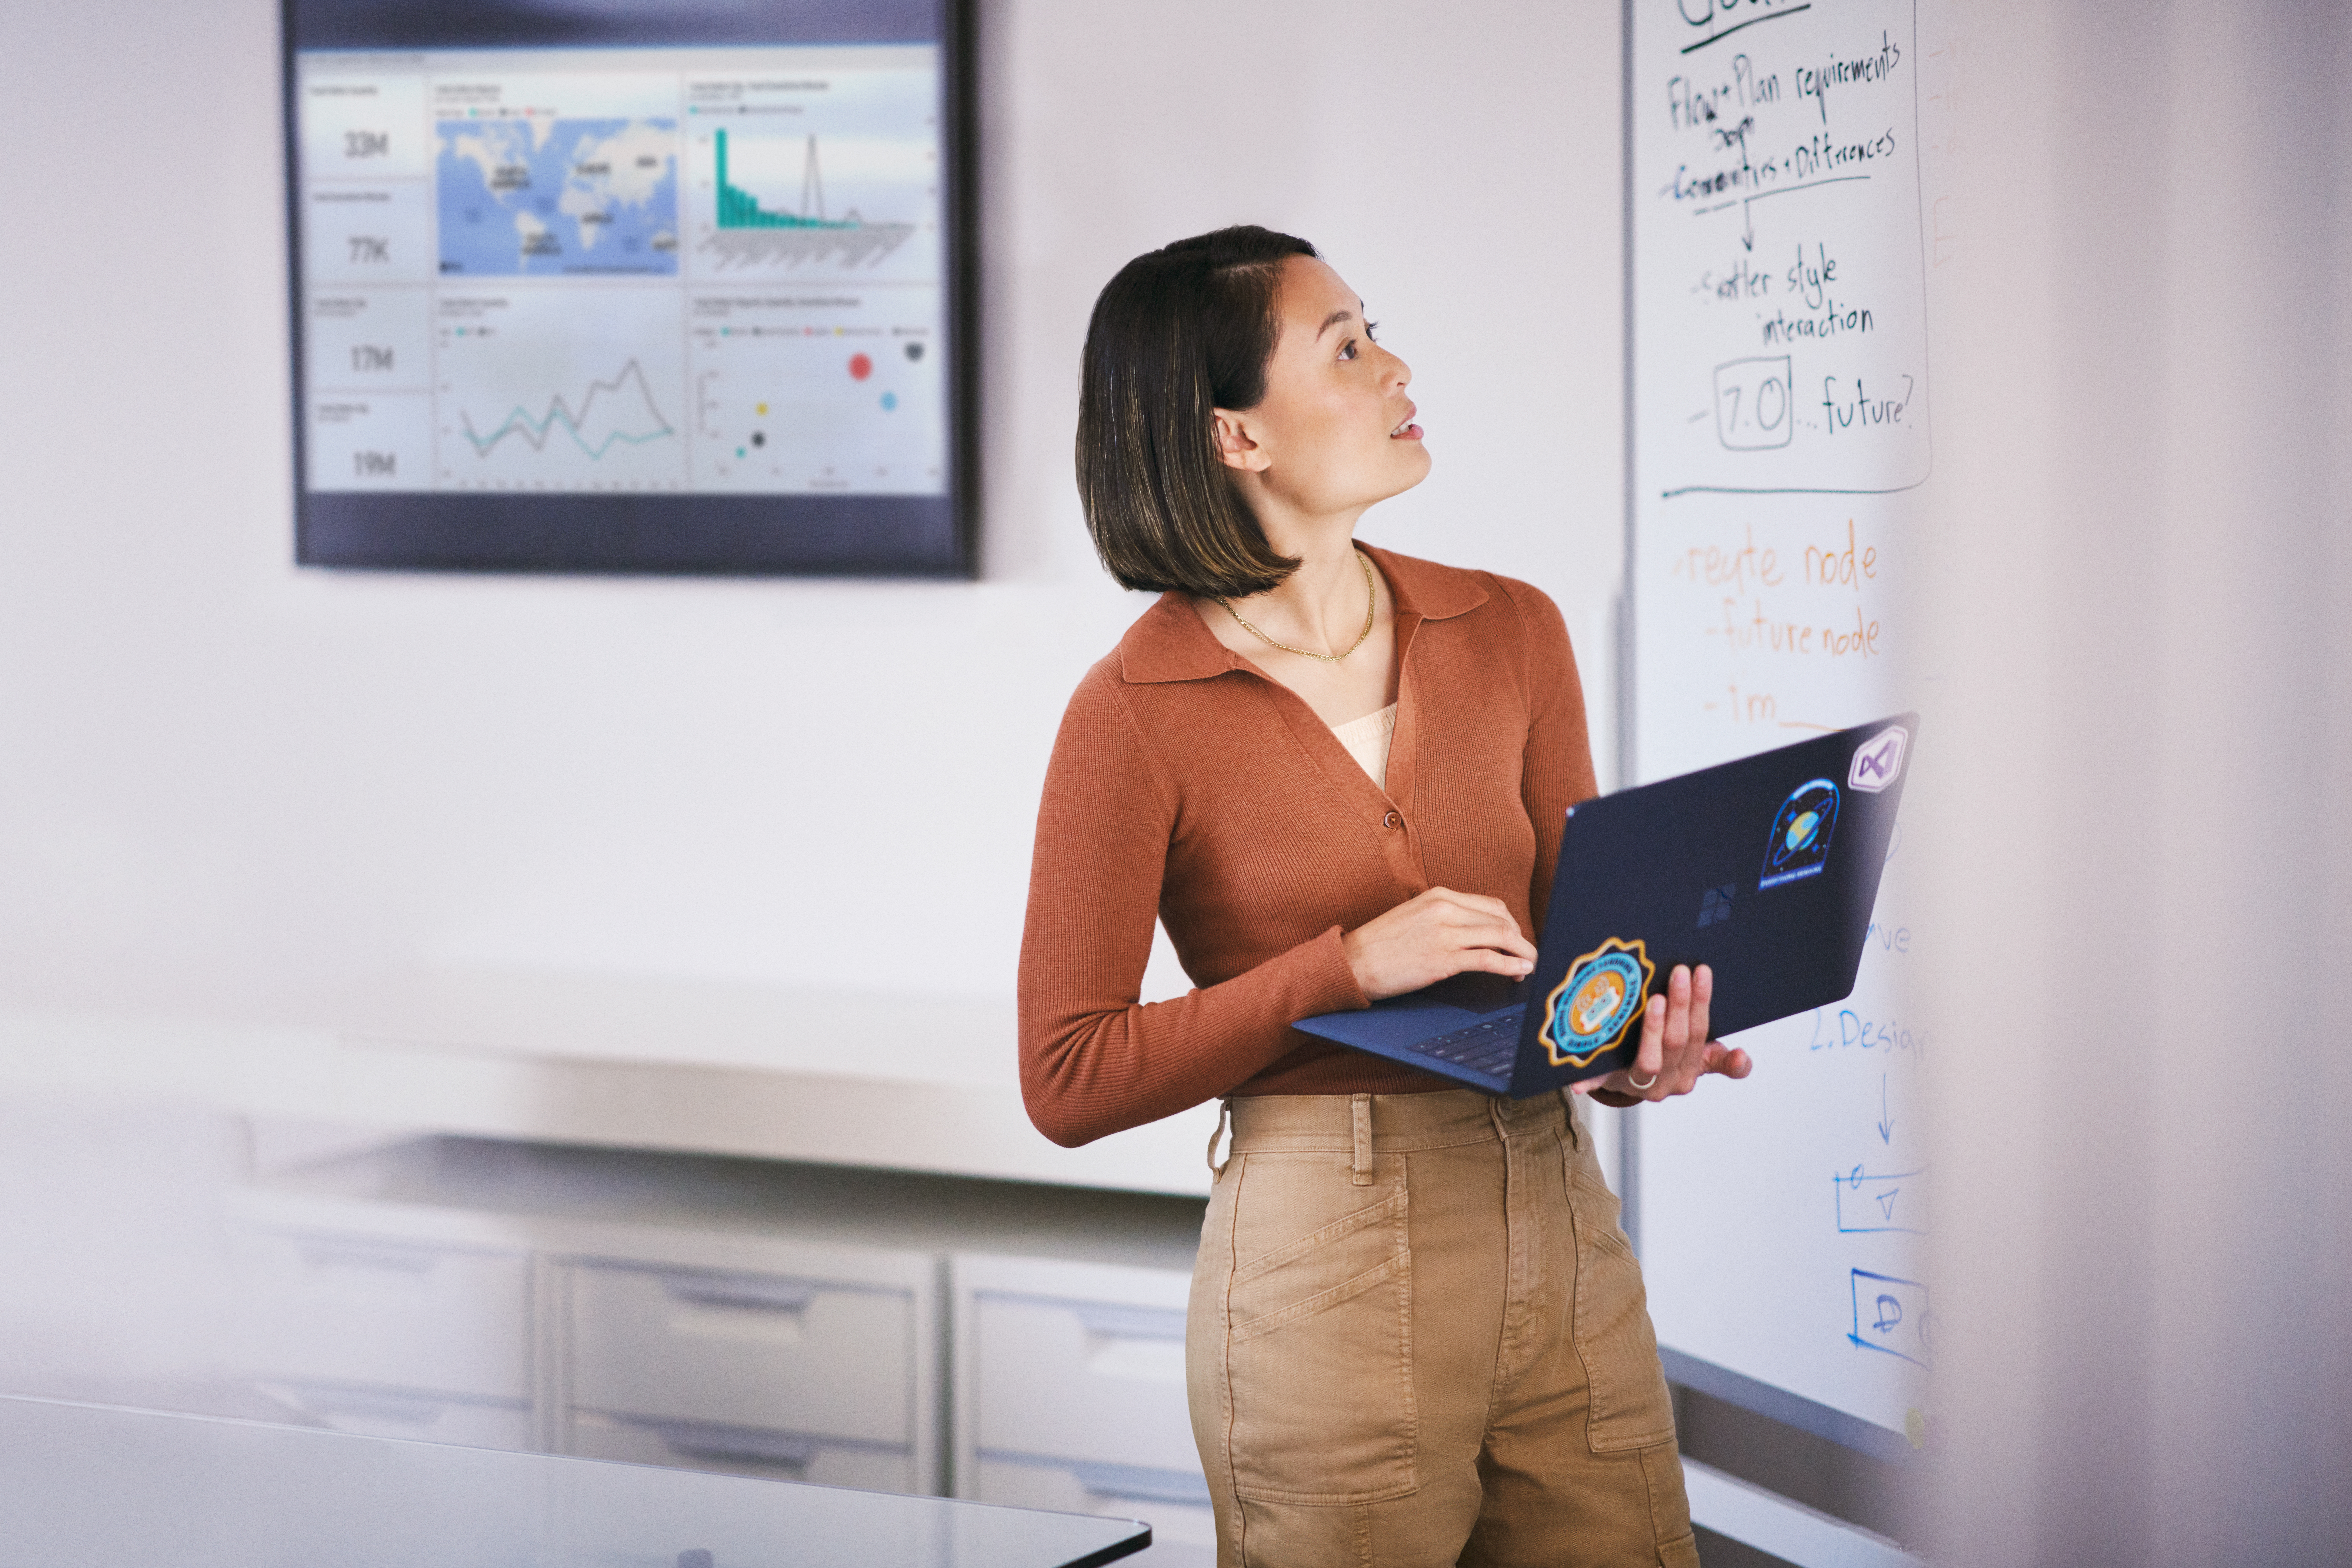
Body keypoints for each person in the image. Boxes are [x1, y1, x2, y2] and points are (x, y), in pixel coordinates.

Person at [1017, 225, 1751, 1568]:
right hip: (1321, 1263)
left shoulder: (1512, 627)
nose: (1394, 365)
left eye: (1376, 332)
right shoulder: (1128, 714)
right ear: (1237, 436)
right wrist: (1339, 966)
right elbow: (1067, 1075)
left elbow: (1567, 966)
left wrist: (1632, 1051)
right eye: (1344, 346)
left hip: (1559, 1223)